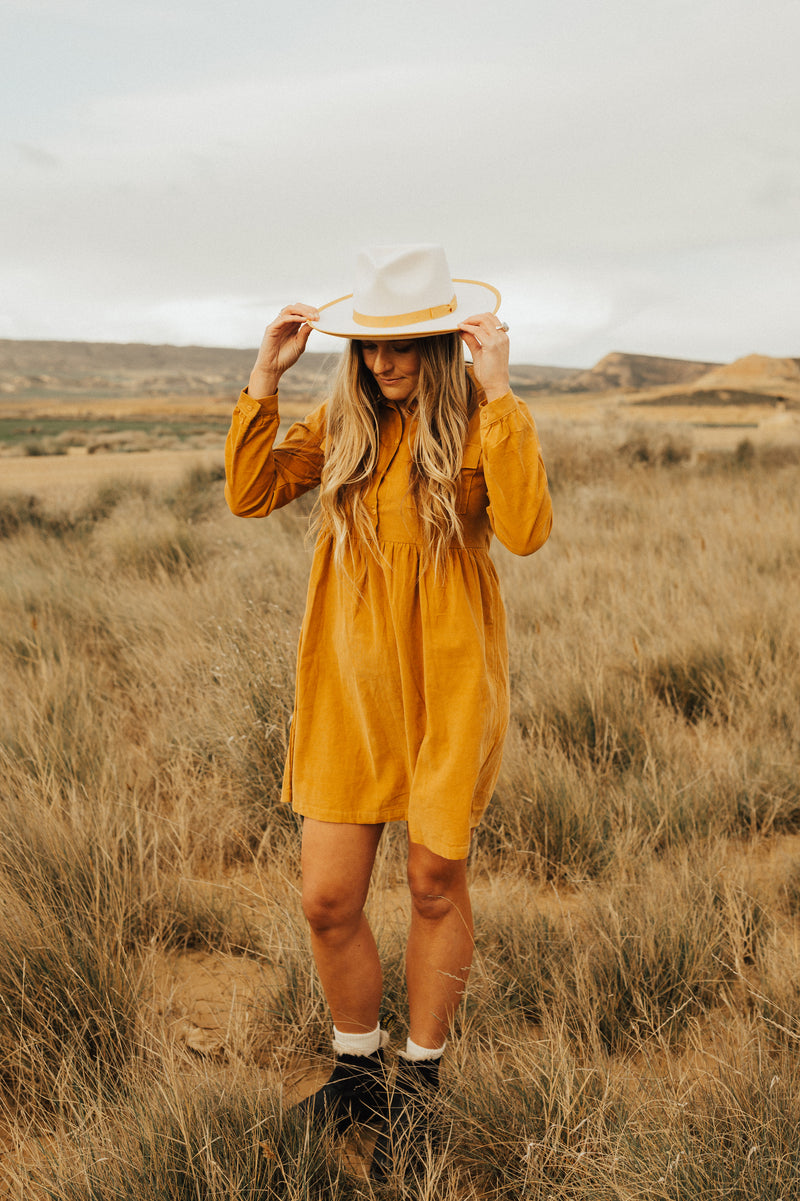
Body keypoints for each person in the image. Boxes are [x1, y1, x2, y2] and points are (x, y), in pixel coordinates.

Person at [224, 244, 552, 1178]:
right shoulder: (343, 422)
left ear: (445, 343)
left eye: (403, 346)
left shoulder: (483, 424)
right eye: (370, 346)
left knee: (435, 881)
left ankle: (421, 1082)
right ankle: (357, 1070)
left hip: (449, 680)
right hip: (347, 686)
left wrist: (499, 394)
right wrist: (265, 374)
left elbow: (526, 529)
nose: (384, 362)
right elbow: (249, 492)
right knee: (328, 898)